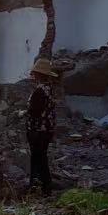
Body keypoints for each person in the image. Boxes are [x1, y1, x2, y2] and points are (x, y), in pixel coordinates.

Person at [26, 57, 60, 197]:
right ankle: (42, 186)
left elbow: (35, 111)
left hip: (38, 130)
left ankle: (40, 186)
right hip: (47, 129)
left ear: (39, 75)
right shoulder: (49, 89)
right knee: (41, 157)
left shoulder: (40, 91)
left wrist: (24, 112)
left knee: (37, 158)